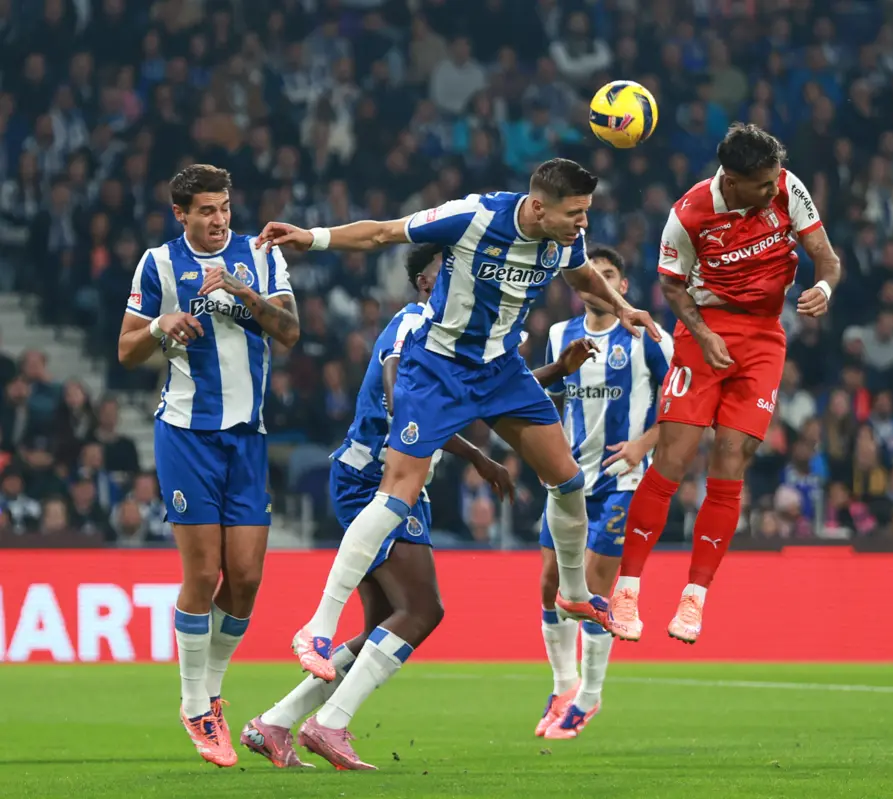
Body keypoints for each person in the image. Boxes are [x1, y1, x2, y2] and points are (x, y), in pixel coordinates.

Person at [255, 158, 657, 689]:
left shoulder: (565, 239)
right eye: (575, 213)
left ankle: (575, 592)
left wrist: (623, 307)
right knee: (398, 491)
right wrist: (314, 237)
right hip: (440, 368)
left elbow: (580, 270)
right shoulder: (473, 216)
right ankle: (318, 627)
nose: (582, 223)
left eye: (586, 212)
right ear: (538, 206)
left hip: (501, 369)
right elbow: (383, 233)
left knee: (568, 480)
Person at [240, 243, 598, 769]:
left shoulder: (456, 340)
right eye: (447, 271)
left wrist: (552, 372)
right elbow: (397, 398)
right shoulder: (413, 324)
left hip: (401, 485)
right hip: (372, 480)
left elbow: (481, 396)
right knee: (423, 610)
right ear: (426, 282)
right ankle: (330, 723)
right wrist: (476, 454)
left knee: (382, 626)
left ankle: (273, 723)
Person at [607, 123, 841, 644]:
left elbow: (826, 255)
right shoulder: (688, 214)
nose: (773, 190)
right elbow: (670, 284)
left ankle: (694, 599)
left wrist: (823, 286)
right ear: (732, 181)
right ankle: (627, 588)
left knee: (732, 456)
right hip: (706, 329)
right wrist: (702, 334)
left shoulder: (785, 187)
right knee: (673, 456)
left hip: (763, 338)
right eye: (762, 184)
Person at [116, 164, 301, 767]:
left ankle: (212, 692)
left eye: (224, 207)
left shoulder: (262, 254)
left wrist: (242, 292)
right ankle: (195, 701)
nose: (219, 219)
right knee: (203, 576)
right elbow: (126, 349)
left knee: (245, 578)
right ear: (182, 215)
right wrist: (161, 325)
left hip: (248, 436)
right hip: (186, 433)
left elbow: (291, 331)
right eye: (206, 211)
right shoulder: (159, 264)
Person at [535, 245, 673, 740]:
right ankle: (564, 685)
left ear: (623, 286)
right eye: (593, 276)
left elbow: (685, 404)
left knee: (591, 587)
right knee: (551, 581)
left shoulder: (646, 338)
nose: (600, 284)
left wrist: (643, 444)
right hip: (569, 481)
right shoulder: (558, 335)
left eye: (609, 275)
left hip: (624, 481)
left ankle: (589, 699)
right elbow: (547, 404)